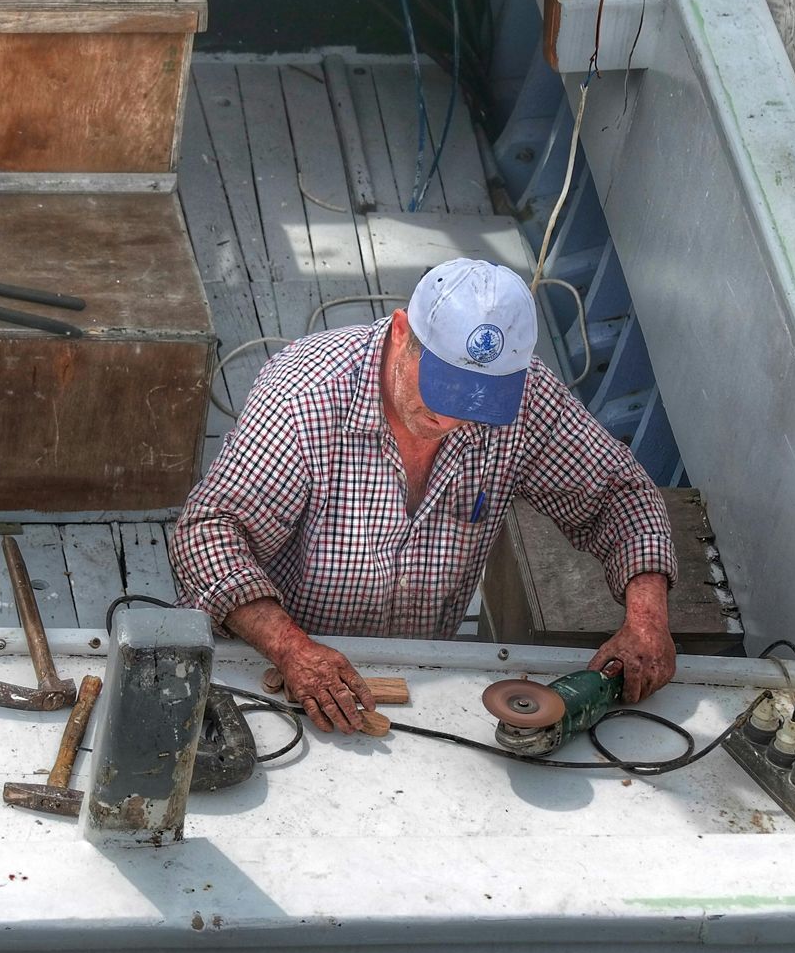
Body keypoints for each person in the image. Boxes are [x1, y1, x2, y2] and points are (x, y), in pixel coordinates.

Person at [170, 258, 678, 734]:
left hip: (418, 671)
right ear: (400, 332)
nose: (452, 421)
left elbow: (621, 494)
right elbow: (208, 534)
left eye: (477, 404)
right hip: (269, 664)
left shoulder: (527, 398)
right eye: (444, 391)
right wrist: (291, 649)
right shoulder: (305, 396)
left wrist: (646, 620)